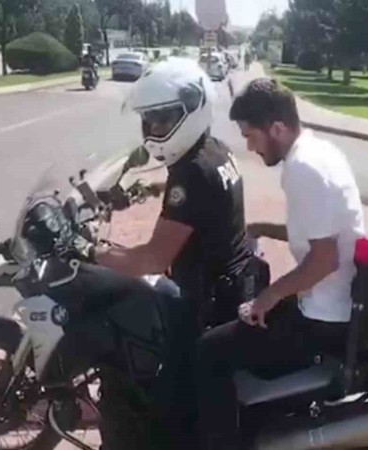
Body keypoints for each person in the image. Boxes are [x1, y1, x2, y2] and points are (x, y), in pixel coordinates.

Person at [194, 77, 365, 449]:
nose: (249, 147)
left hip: (322, 319)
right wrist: (263, 229)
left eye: (250, 136)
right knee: (241, 328)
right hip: (330, 305)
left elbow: (324, 259)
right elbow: (318, 233)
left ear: (276, 128)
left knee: (208, 353)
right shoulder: (319, 151)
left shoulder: (303, 168)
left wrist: (268, 298)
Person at [94, 58, 255, 449]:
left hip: (206, 302)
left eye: (163, 119)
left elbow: (151, 259)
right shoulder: (215, 150)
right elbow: (199, 208)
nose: (153, 129)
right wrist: (147, 192)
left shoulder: (191, 173)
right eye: (148, 120)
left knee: (161, 398)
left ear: (193, 110)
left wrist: (93, 253)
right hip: (231, 283)